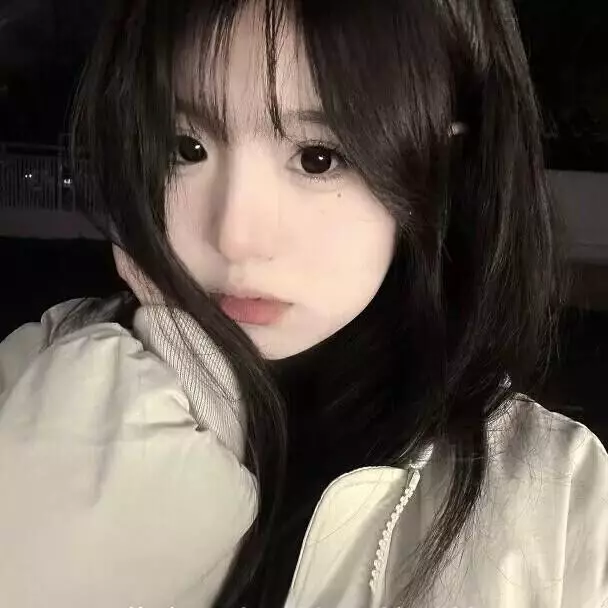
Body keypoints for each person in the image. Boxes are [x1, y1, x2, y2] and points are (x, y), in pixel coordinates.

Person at [0, 0, 606, 606]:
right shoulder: (36, 376)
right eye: (185, 147)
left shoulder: (557, 509)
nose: (235, 237)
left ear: (438, 168)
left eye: (318, 158)